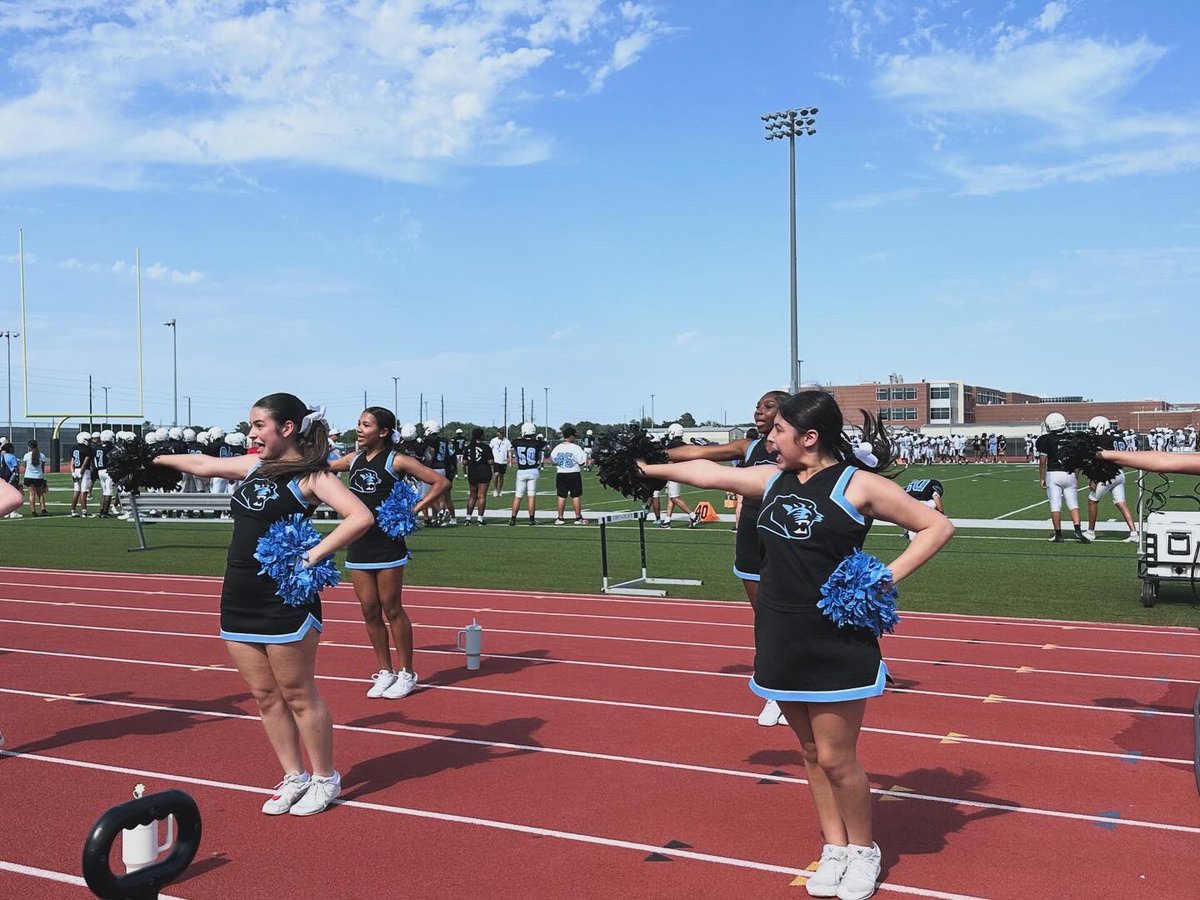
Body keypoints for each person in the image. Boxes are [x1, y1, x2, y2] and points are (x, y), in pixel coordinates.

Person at [640, 391, 953, 900]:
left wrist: (882, 578)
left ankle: (863, 851)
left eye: (778, 431)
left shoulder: (858, 485)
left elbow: (936, 525)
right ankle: (834, 847)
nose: (768, 438)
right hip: (778, 632)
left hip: (835, 636)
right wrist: (648, 468)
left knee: (836, 756)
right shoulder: (772, 479)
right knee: (809, 751)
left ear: (810, 437)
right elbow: (708, 475)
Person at [152, 393, 374, 817]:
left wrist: (310, 556)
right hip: (239, 594)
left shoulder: (312, 477)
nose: (251, 433)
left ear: (286, 428)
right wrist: (156, 460)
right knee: (264, 695)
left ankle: (325, 778)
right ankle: (294, 776)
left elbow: (360, 517)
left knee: (297, 693)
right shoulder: (254, 466)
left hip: (284, 597)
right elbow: (203, 464)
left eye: (258, 425)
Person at [663, 390, 791, 726]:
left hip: (787, 538)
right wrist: (652, 454)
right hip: (751, 537)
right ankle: (775, 690)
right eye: (757, 407)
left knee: (794, 612)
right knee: (764, 616)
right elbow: (698, 453)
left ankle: (828, 667)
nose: (758, 412)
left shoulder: (798, 451)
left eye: (768, 406)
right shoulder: (746, 447)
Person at [329, 406, 449, 700]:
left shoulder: (397, 460)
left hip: (387, 544)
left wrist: (414, 509)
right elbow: (321, 467)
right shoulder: (352, 459)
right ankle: (385, 671)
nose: (359, 429)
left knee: (391, 608)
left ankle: (407, 672)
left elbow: (440, 481)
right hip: (358, 541)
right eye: (358, 423)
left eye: (366, 425)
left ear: (383, 432)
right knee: (369, 609)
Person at [1036, 413, 1089, 544]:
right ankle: (1078, 532)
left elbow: (1043, 461)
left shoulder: (1045, 439)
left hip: (1053, 474)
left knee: (1055, 505)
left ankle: (1058, 535)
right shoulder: (1072, 438)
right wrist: (1076, 476)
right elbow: (1077, 461)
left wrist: (1042, 478)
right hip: (1069, 473)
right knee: (1073, 504)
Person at [1084, 417, 1138, 542]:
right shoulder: (1120, 439)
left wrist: (1093, 478)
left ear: (1099, 426)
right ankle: (1134, 533)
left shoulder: (1100, 439)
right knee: (1121, 503)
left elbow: (1097, 460)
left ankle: (1090, 532)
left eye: (1093, 428)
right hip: (1119, 473)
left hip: (1107, 475)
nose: (1091, 431)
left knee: (1092, 500)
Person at [658, 423, 700, 529]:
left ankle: (693, 516)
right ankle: (667, 520)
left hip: (673, 472)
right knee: (671, 498)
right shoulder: (683, 444)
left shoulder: (672, 445)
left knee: (674, 497)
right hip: (680, 471)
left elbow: (665, 456)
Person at [549, 426, 590, 525]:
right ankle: (577, 518)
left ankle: (560, 518)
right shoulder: (576, 448)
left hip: (561, 473)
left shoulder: (557, 447)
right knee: (575, 496)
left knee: (561, 496)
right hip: (573, 473)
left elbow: (553, 461)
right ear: (571, 436)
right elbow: (582, 462)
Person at [509, 422, 544, 525]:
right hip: (533, 470)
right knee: (531, 496)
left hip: (521, 471)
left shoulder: (516, 442)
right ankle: (531, 519)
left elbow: (514, 442)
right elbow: (546, 448)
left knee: (518, 495)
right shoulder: (538, 443)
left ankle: (513, 519)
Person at [462, 427, 494, 525]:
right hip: (484, 472)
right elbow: (490, 461)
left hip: (472, 473)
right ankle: (480, 519)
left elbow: (464, 462)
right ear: (482, 435)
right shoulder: (485, 447)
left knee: (472, 496)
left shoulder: (468, 447)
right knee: (481, 496)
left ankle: (468, 518)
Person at [69, 431, 95, 517]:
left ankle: (73, 511)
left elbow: (72, 462)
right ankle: (84, 512)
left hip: (75, 470)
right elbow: (85, 462)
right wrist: (81, 473)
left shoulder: (73, 448)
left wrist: (73, 472)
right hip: (84, 471)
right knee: (84, 492)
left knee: (76, 491)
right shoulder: (87, 449)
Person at [20, 440, 49, 516]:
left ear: (29, 447)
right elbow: (42, 467)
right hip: (38, 477)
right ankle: (43, 510)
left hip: (28, 476)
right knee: (41, 494)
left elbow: (25, 466)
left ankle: (33, 511)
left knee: (31, 494)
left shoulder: (26, 455)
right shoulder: (42, 455)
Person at [489, 428, 512, 497]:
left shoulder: (507, 441)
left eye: (502, 433)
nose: (501, 434)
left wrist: (510, 461)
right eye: (500, 433)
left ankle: (499, 490)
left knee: (501, 476)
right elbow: (490, 449)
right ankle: (495, 490)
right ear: (497, 433)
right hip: (496, 460)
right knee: (496, 474)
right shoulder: (493, 440)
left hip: (503, 461)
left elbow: (509, 451)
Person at [1, 441, 21, 518]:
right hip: (11, 477)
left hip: (4, 477)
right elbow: (15, 469)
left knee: (6, 495)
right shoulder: (12, 457)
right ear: (9, 449)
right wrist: (15, 478)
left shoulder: (2, 456)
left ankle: (6, 512)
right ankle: (13, 512)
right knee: (14, 495)